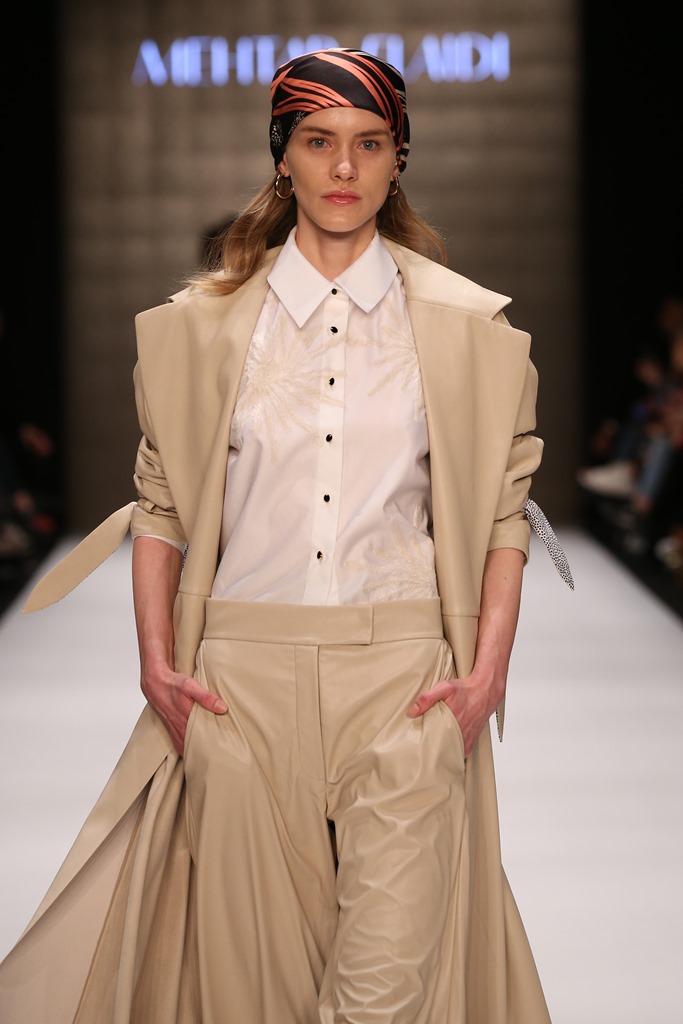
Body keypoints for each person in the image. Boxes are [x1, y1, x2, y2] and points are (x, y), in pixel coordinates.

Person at [0, 47, 572, 1024]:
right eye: (317, 141)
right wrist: (155, 664)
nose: (343, 167)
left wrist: (485, 674)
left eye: (369, 143)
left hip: (403, 681)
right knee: (251, 1001)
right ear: (282, 156)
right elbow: (162, 505)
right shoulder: (200, 327)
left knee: (380, 997)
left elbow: (497, 516)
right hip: (239, 689)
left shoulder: (469, 329)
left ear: (398, 159)